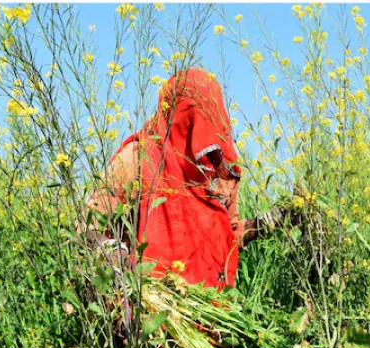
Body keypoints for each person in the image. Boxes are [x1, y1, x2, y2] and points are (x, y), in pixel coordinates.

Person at [83, 68, 291, 288]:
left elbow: (227, 237)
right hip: (145, 307)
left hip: (208, 307)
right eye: (193, 117)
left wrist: (267, 223)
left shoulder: (216, 174)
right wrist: (113, 253)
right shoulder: (139, 159)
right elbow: (87, 225)